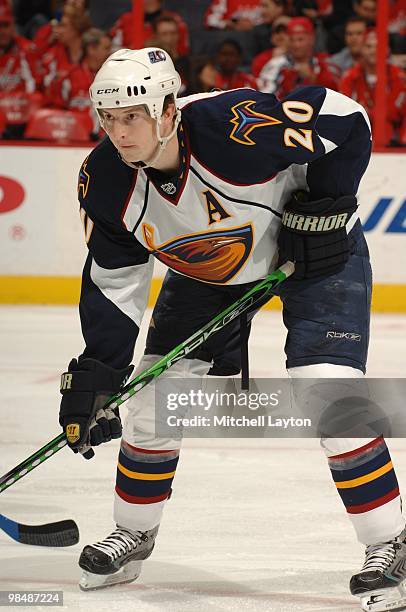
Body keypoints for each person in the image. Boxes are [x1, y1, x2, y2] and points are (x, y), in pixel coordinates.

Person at [58, 46, 406, 612]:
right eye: (110, 118)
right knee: (149, 397)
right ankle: (134, 531)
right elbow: (114, 282)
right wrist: (98, 373)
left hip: (312, 253)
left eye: (134, 116)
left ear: (168, 110)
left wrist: (328, 202)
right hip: (211, 269)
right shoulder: (106, 182)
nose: (119, 133)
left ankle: (390, 543)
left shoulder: (231, 128)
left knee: (327, 391)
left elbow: (347, 118)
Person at [340, 29, 406, 146]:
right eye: (368, 46)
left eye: (378, 46)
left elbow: (391, 113)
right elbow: (343, 112)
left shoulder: (399, 77)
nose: (373, 51)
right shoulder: (350, 77)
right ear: (362, 49)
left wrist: (367, 112)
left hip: (394, 142)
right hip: (357, 139)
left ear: (387, 50)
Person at [258, 16, 338, 97]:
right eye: (292, 40)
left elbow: (336, 95)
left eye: (300, 39)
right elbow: (264, 98)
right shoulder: (275, 64)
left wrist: (312, 78)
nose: (296, 45)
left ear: (312, 39)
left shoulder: (325, 63)